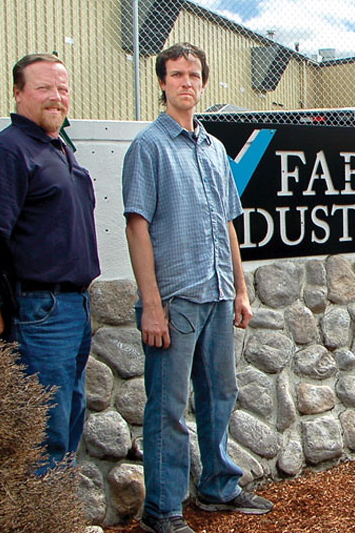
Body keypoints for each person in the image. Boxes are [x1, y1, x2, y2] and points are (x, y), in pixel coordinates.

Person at [122, 42, 273, 533]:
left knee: (220, 394)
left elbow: (229, 223)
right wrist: (151, 305)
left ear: (203, 83)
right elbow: (137, 226)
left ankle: (217, 488)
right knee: (166, 405)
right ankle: (162, 510)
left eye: (193, 75)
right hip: (176, 298)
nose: (186, 82)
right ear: (162, 83)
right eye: (176, 74)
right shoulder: (149, 147)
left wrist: (241, 289)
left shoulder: (214, 149)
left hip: (218, 292)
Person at [0, 53, 100, 474]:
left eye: (62, 88)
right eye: (43, 88)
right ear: (18, 93)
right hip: (40, 310)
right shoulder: (7, 150)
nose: (55, 97)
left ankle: (57, 514)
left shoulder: (57, 149)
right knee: (43, 432)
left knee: (69, 421)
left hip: (74, 307)